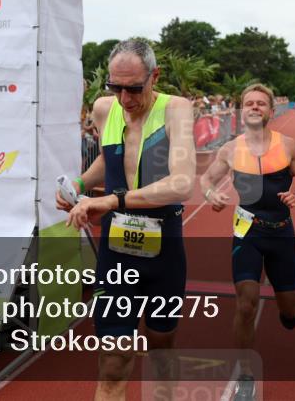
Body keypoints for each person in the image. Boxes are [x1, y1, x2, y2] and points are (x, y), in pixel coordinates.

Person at [59, 39, 196, 401]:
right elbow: (110, 160)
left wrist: (111, 198)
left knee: (161, 350)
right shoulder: (105, 109)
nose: (124, 98)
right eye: (115, 87)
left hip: (164, 250)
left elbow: (182, 183)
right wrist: (80, 183)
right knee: (114, 362)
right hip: (117, 255)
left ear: (155, 76)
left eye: (134, 88)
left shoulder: (175, 110)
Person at [199, 83, 295, 399]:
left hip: (281, 232)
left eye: (260, 103)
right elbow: (206, 179)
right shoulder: (230, 149)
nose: (254, 107)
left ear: (270, 110)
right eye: (249, 103)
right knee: (246, 302)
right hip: (247, 232)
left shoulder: (288, 146)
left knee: (291, 313)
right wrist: (211, 194)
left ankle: (287, 313)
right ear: (242, 110)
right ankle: (246, 375)